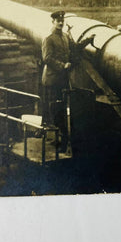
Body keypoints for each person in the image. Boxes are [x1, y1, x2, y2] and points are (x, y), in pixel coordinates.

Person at [41, 10, 94, 152]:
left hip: (63, 79)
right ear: (53, 22)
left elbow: (74, 48)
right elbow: (47, 58)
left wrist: (87, 40)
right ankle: (57, 141)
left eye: (62, 21)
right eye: (58, 21)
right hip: (52, 80)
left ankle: (63, 141)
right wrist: (62, 65)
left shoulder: (64, 37)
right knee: (55, 110)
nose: (60, 23)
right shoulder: (49, 38)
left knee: (62, 110)